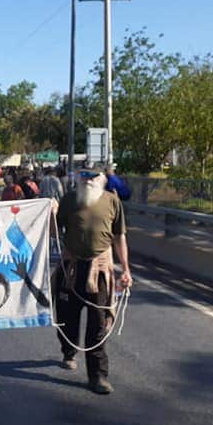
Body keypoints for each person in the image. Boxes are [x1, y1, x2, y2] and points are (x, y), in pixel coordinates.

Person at [50, 167, 132, 395]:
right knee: (67, 316)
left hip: (100, 270)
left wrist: (125, 269)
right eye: (84, 175)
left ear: (102, 179)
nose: (88, 180)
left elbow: (119, 237)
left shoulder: (112, 202)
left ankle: (97, 376)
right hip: (72, 268)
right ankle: (68, 351)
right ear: (78, 178)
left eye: (93, 176)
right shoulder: (68, 200)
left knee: (98, 322)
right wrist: (50, 215)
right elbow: (54, 233)